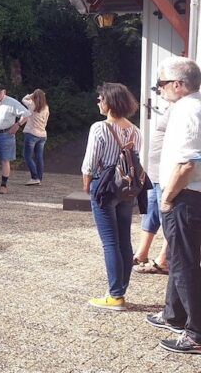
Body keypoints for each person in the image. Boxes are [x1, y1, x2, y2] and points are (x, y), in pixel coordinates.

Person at [145, 57, 201, 353]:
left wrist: (166, 199)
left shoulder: (188, 111)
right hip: (188, 196)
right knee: (182, 259)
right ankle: (174, 315)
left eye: (161, 84)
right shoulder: (190, 107)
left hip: (185, 197)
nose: (159, 89)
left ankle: (196, 334)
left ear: (178, 85)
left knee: (183, 264)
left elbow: (188, 163)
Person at [81, 82, 141, 311]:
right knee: (124, 240)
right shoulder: (135, 130)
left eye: (101, 99)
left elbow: (89, 163)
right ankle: (121, 289)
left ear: (110, 103)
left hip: (104, 186)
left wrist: (88, 185)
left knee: (109, 242)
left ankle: (115, 295)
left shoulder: (100, 128)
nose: (98, 102)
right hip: (126, 188)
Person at [133, 100, 170, 275]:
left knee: (167, 218)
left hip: (167, 175)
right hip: (155, 173)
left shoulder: (186, 108)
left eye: (163, 84)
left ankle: (163, 260)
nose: (160, 90)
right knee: (150, 213)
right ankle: (142, 253)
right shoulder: (173, 107)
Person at [21, 89, 50, 186]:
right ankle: (39, 178)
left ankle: (34, 177)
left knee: (27, 156)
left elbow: (23, 99)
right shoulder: (46, 108)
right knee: (39, 157)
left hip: (31, 134)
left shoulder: (31, 105)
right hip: (42, 135)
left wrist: (31, 94)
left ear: (34, 97)